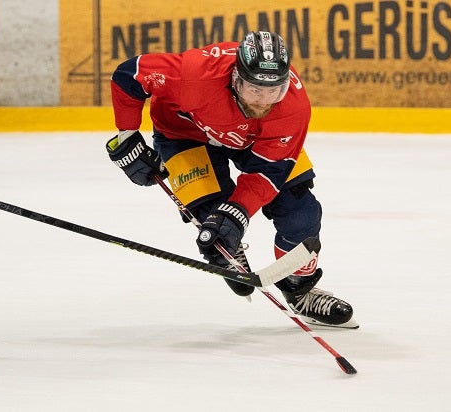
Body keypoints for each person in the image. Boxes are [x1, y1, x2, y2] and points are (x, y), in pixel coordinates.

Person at [106, 31, 356, 328]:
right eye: (254, 89)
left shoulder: (293, 107)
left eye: (274, 90)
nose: (264, 101)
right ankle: (228, 248)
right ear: (236, 78)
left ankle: (299, 289)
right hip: (183, 135)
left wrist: (237, 212)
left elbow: (269, 172)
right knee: (212, 218)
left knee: (301, 212)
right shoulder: (195, 74)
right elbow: (128, 75)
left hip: (255, 140)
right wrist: (128, 134)